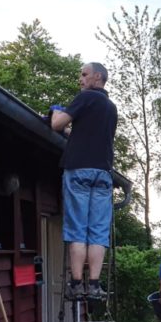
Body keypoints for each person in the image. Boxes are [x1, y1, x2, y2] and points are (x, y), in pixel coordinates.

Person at [50, 62, 117, 300]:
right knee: (98, 231)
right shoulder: (111, 107)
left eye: (84, 74)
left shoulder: (86, 97)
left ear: (97, 77)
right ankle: (95, 286)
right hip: (103, 174)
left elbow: (58, 125)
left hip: (79, 170)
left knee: (78, 229)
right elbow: (79, 134)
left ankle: (77, 284)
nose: (81, 79)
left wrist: (56, 112)